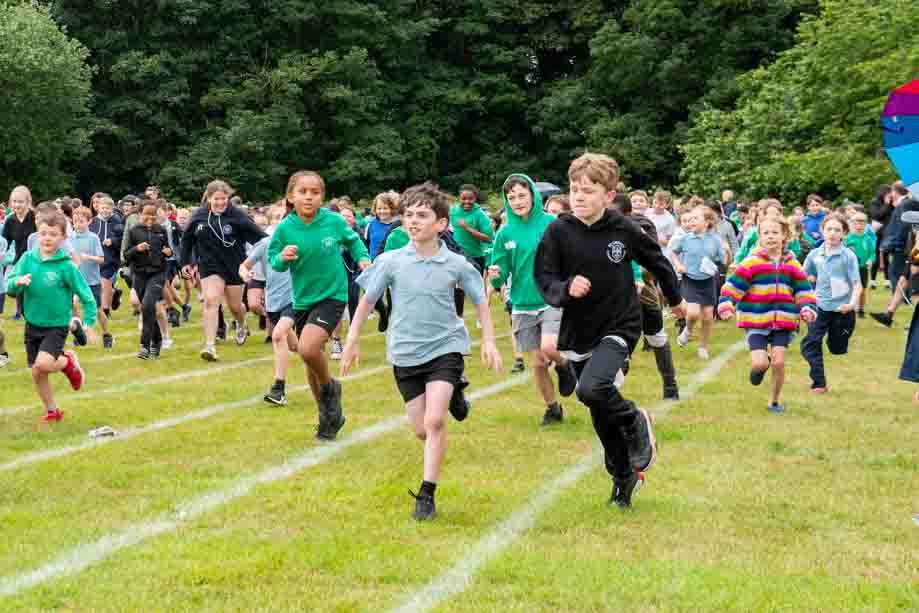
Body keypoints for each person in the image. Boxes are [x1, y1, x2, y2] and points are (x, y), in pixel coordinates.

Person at [341, 182, 502, 520]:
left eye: (422, 215)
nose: (413, 221)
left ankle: (427, 494)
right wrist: (352, 339)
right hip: (404, 351)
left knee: (435, 420)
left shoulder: (455, 263)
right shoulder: (390, 261)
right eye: (409, 215)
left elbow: (480, 301)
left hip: (446, 347)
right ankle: (456, 394)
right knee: (420, 429)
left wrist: (488, 341)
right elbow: (367, 301)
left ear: (441, 223)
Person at [535, 153, 686, 509]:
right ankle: (622, 477)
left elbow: (657, 260)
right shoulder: (558, 231)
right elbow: (544, 276)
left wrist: (676, 298)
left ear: (608, 195)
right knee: (598, 409)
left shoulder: (624, 229)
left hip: (620, 324)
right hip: (578, 329)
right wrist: (565, 288)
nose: (579, 197)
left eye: (588, 191)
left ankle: (635, 419)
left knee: (592, 388)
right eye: (575, 189)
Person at [268, 171, 370, 441]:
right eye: (302, 192)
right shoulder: (285, 227)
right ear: (291, 196)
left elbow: (353, 241)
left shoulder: (333, 221)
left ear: (322, 197)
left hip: (332, 295)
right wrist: (282, 257)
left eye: (315, 192)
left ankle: (330, 387)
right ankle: (327, 416)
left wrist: (363, 258)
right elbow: (274, 260)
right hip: (303, 299)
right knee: (310, 358)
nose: (309, 197)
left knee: (307, 348)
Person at [487, 173, 577, 426]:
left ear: (534, 196)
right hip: (522, 303)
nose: (517, 201)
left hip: (551, 298)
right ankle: (553, 408)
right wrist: (495, 277)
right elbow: (501, 268)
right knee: (537, 363)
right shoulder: (504, 233)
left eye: (522, 195)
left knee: (549, 348)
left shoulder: (552, 224)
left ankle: (564, 365)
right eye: (511, 197)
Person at [719, 216, 817, 414]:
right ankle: (759, 369)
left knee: (779, 362)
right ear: (759, 237)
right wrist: (727, 304)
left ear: (784, 236)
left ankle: (774, 401)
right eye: (766, 233)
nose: (770, 236)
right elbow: (734, 286)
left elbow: (803, 290)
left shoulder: (793, 264)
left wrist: (807, 308)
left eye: (775, 232)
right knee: (760, 362)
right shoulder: (751, 262)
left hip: (784, 321)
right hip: (756, 320)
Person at [5, 211, 96, 422]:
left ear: (63, 237)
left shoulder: (66, 266)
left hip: (56, 325)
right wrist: (17, 283)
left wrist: (89, 322)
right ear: (38, 234)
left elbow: (87, 296)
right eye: (43, 233)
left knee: (44, 364)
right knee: (37, 372)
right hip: (32, 324)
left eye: (53, 234)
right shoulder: (27, 259)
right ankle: (52, 412)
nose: (47, 238)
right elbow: (9, 287)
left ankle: (67, 362)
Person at [180, 180, 267, 361]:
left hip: (234, 264)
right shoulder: (198, 216)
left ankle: (241, 323)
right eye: (216, 199)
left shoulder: (237, 215)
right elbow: (187, 240)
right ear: (208, 198)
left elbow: (261, 238)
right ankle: (210, 346)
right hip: (209, 265)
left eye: (224, 199)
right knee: (211, 300)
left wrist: (276, 250)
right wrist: (185, 262)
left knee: (235, 306)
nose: (220, 202)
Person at [240, 205, 300, 406]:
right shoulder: (265, 244)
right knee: (296, 346)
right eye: (275, 218)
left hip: (296, 299)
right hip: (273, 302)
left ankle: (278, 389)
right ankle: (317, 365)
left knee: (278, 335)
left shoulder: (300, 244)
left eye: (283, 218)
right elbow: (244, 265)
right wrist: (245, 274)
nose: (279, 222)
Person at [800, 214, 861, 394]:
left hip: (842, 310)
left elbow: (857, 284)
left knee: (837, 348)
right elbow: (802, 276)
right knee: (811, 344)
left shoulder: (848, 256)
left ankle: (836, 343)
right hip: (819, 307)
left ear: (844, 233)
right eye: (829, 229)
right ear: (822, 231)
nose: (832, 233)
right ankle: (819, 383)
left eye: (837, 230)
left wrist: (851, 304)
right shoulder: (815, 254)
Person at [672, 205, 725, 360]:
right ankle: (688, 330)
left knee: (708, 317)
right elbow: (673, 252)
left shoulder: (715, 240)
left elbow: (722, 260)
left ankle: (703, 347)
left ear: (707, 222)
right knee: (693, 313)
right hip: (690, 279)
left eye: (696, 218)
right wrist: (678, 265)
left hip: (708, 280)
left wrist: (727, 253)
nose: (691, 221)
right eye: (690, 219)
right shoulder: (685, 239)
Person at [124, 203, 173, 359]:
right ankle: (157, 340)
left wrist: (168, 252)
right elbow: (126, 255)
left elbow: (168, 250)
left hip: (158, 273)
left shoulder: (161, 230)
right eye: (147, 215)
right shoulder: (134, 231)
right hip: (139, 274)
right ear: (140, 215)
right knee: (147, 308)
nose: (150, 218)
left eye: (153, 215)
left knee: (147, 304)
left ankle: (144, 346)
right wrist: (137, 249)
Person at [71, 207, 112, 348]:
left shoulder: (93, 238)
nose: (78, 224)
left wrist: (88, 257)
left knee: (97, 310)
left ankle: (106, 334)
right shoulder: (69, 238)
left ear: (89, 222)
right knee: (73, 304)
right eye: (75, 221)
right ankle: (80, 332)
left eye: (81, 221)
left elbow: (101, 259)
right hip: (75, 280)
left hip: (92, 281)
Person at [450, 184, 494, 315]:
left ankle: (482, 317)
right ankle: (458, 317)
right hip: (457, 256)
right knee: (457, 290)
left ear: (475, 198)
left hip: (475, 257)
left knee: (476, 291)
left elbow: (488, 238)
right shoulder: (453, 211)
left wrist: (468, 228)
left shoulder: (480, 215)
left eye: (470, 198)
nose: (467, 202)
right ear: (459, 198)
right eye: (464, 198)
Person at [2, 186, 37, 320]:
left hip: (36, 258)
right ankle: (19, 312)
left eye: (20, 202)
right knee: (19, 286)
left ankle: (34, 311)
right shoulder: (10, 220)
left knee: (34, 287)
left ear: (28, 202)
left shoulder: (35, 217)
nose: (17, 205)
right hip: (19, 259)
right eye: (14, 201)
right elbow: (4, 242)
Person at [88, 195, 124, 322]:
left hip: (110, 258)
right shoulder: (92, 222)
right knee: (97, 285)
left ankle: (105, 310)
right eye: (103, 208)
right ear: (98, 208)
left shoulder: (117, 222)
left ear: (112, 209)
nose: (105, 211)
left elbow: (123, 239)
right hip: (95, 258)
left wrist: (113, 241)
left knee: (105, 283)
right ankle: (105, 302)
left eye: (108, 208)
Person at [845, 211, 876, 318]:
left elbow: (872, 253)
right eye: (856, 223)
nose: (859, 226)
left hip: (863, 268)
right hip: (850, 268)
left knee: (862, 290)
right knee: (849, 289)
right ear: (852, 224)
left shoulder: (867, 239)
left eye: (862, 223)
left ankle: (861, 309)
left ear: (866, 225)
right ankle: (849, 308)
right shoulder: (848, 239)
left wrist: (870, 260)